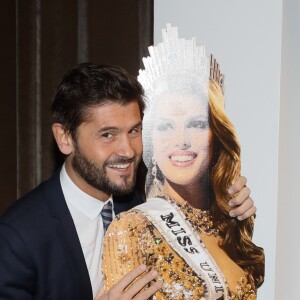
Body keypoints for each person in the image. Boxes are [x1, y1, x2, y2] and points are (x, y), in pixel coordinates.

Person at [0, 62, 255, 300]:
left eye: (134, 130)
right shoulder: (18, 237)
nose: (128, 150)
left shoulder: (150, 203)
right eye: (108, 134)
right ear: (65, 138)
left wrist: (228, 211)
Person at [102, 24, 265, 299]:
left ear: (216, 136)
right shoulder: (132, 229)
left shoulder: (231, 219)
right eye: (165, 126)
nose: (181, 141)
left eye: (197, 124)